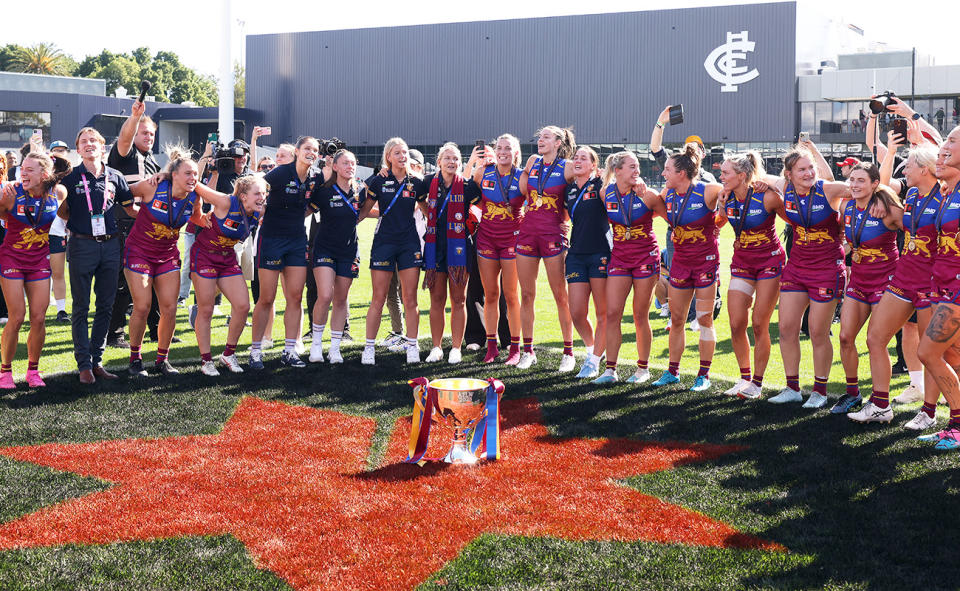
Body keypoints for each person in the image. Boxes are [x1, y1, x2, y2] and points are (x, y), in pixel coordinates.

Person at [859, 136, 941, 428]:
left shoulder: (946, 196)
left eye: (909, 166)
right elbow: (879, 187)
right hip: (904, 276)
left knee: (929, 351)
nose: (904, 172)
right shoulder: (913, 197)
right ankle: (881, 405)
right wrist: (890, 151)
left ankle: (929, 412)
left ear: (926, 169)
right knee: (875, 338)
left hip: (933, 281)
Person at [764, 144, 853, 407]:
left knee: (817, 331)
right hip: (797, 266)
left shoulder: (828, 189)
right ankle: (792, 387)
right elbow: (756, 177)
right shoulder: (784, 187)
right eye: (801, 169)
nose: (808, 172)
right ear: (789, 174)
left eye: (811, 167)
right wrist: (758, 185)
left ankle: (820, 391)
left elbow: (863, 188)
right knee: (786, 327)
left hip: (827, 269)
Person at [55, 128, 137, 384]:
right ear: (77, 149)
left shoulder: (116, 176)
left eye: (94, 141)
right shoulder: (68, 178)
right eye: (83, 142)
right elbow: (62, 212)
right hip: (81, 246)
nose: (89, 144)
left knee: (106, 305)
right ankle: (83, 365)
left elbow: (130, 208)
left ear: (103, 147)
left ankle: (97, 360)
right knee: (81, 307)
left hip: (111, 246)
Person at [831, 163, 903, 416]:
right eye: (852, 180)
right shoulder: (846, 206)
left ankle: (881, 402)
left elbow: (916, 230)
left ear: (875, 183)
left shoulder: (889, 209)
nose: (855, 185)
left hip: (885, 282)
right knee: (845, 337)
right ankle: (853, 394)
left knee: (876, 342)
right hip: (859, 281)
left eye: (861, 180)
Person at [249, 137, 326, 370]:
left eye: (315, 150)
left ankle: (290, 350)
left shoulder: (316, 177)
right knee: (266, 298)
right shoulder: (280, 173)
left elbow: (319, 199)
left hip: (296, 241)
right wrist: (258, 209)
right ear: (297, 151)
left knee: (295, 297)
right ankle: (255, 352)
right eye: (307, 149)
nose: (311, 153)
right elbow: (255, 185)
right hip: (271, 239)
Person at [653, 145, 724, 391]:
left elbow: (732, 191)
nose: (663, 174)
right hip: (681, 265)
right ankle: (673, 371)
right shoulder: (668, 195)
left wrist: (720, 220)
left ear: (682, 173)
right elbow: (652, 206)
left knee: (705, 320)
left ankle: (703, 375)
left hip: (705, 264)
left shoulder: (707, 190)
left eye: (667, 170)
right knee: (676, 320)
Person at [715, 152, 785, 399]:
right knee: (735, 323)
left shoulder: (766, 196)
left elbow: (795, 220)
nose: (720, 177)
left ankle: (757, 382)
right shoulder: (727, 196)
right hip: (742, 262)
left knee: (758, 323)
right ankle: (744, 377)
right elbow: (718, 223)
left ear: (741, 176)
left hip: (769, 262)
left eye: (725, 173)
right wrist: (721, 206)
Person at [124, 148, 199, 376]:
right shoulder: (153, 186)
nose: (193, 178)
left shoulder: (195, 196)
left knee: (170, 308)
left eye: (195, 174)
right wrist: (136, 211)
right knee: (143, 306)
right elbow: (125, 193)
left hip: (167, 255)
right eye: (188, 173)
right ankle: (135, 358)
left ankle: (162, 360)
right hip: (139, 253)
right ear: (173, 174)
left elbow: (197, 216)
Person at [592, 151, 664, 384]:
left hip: (646, 258)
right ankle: (609, 371)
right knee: (612, 313)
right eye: (632, 167)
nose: (637, 172)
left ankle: (642, 370)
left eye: (638, 167)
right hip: (620, 259)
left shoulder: (649, 195)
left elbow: (672, 219)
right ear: (618, 170)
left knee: (640, 315)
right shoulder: (605, 193)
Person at [0, 151, 69, 388]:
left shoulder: (58, 193)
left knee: (39, 318)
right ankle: (5, 371)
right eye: (22, 168)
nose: (23, 173)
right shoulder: (10, 194)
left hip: (39, 261)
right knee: (17, 317)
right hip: (12, 260)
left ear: (45, 174)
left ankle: (33, 371)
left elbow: (66, 213)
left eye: (30, 169)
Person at [188, 176, 265, 375]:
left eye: (264, 193)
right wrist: (198, 213)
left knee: (242, 306)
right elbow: (195, 184)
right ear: (243, 196)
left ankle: (228, 354)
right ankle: (206, 361)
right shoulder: (226, 202)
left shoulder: (259, 210)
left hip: (227, 258)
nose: (262, 197)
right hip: (204, 256)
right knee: (206, 309)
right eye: (257, 193)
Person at [516, 126, 577, 371]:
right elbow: (523, 191)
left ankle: (569, 352)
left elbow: (586, 181)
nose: (540, 140)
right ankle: (527, 351)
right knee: (526, 295)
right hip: (528, 232)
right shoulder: (532, 161)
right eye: (540, 137)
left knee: (560, 295)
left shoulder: (568, 166)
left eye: (546, 137)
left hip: (554, 233)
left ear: (558, 142)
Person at [359, 137, 425, 365]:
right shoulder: (379, 180)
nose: (402, 156)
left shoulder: (417, 182)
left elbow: (429, 211)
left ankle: (412, 346)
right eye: (396, 152)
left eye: (404, 152)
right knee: (378, 298)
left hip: (409, 243)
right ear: (388, 156)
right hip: (384, 243)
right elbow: (362, 211)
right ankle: (369, 347)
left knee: (410, 299)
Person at [916, 128, 960, 450]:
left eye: (952, 142)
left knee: (927, 352)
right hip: (940, 284)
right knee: (951, 356)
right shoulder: (947, 191)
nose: (942, 148)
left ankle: (957, 426)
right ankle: (952, 425)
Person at [107, 99, 162, 349]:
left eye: (151, 133)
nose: (148, 137)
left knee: (155, 279)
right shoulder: (124, 155)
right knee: (122, 282)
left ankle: (156, 330)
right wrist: (134, 119)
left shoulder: (153, 162)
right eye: (144, 132)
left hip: (149, 228)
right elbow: (125, 139)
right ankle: (115, 334)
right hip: (124, 225)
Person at [416, 143, 475, 364]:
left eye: (456, 159)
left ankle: (456, 348)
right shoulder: (427, 182)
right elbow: (420, 199)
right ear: (439, 160)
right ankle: (437, 347)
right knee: (436, 300)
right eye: (448, 158)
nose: (452, 162)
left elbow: (480, 208)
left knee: (459, 300)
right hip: (434, 247)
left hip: (459, 248)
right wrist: (426, 211)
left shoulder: (468, 187)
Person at [466, 136, 523, 364]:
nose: (502, 152)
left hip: (512, 240)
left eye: (508, 148)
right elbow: (474, 199)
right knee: (490, 295)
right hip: (487, 239)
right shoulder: (483, 173)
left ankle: (515, 347)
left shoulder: (523, 177)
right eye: (499, 147)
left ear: (516, 152)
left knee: (511, 295)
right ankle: (491, 347)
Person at [307, 150, 364, 364]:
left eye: (353, 163)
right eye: (346, 163)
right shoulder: (323, 191)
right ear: (336, 167)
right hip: (324, 249)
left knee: (341, 299)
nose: (350, 166)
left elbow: (368, 211)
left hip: (349, 251)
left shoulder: (361, 192)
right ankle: (316, 345)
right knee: (324, 296)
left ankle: (335, 348)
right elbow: (303, 211)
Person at [562, 147, 609, 378]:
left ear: (593, 165)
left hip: (600, 253)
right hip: (576, 255)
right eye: (576, 158)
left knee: (603, 313)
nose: (578, 161)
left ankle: (593, 361)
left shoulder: (601, 185)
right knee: (577, 312)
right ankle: (594, 350)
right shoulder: (568, 190)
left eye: (584, 158)